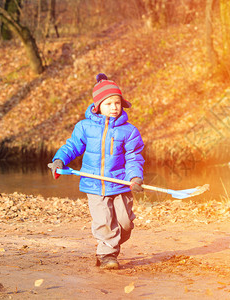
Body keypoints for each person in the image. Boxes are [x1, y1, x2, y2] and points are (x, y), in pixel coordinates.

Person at [48, 73, 144, 270]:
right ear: (98, 106)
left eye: (117, 103)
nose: (114, 107)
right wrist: (59, 160)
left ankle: (110, 246)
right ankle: (107, 255)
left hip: (120, 185)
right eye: (109, 103)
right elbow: (72, 146)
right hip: (95, 185)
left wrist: (135, 177)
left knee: (125, 224)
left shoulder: (129, 131)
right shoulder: (85, 127)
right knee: (105, 222)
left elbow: (134, 157)